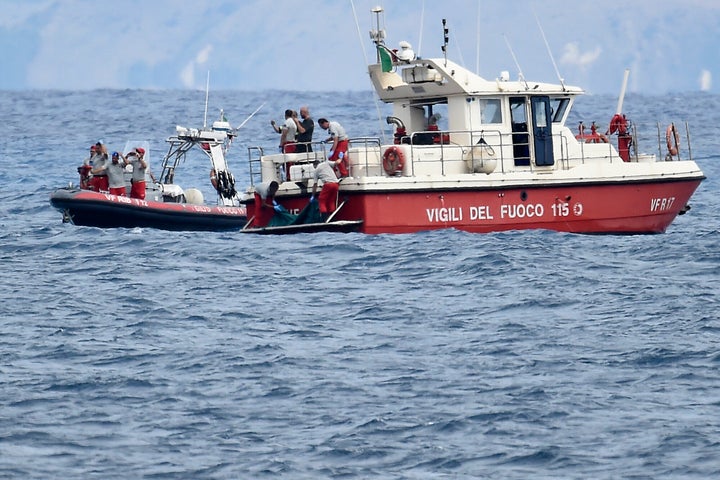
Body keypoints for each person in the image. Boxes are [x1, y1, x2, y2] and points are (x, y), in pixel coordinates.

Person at [310, 157, 340, 221]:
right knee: (331, 201)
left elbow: (315, 184)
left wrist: (313, 195)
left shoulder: (316, 170)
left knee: (321, 201)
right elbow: (337, 162)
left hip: (328, 185)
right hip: (336, 184)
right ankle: (333, 218)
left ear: (314, 165)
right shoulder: (327, 163)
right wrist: (341, 157)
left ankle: (325, 219)